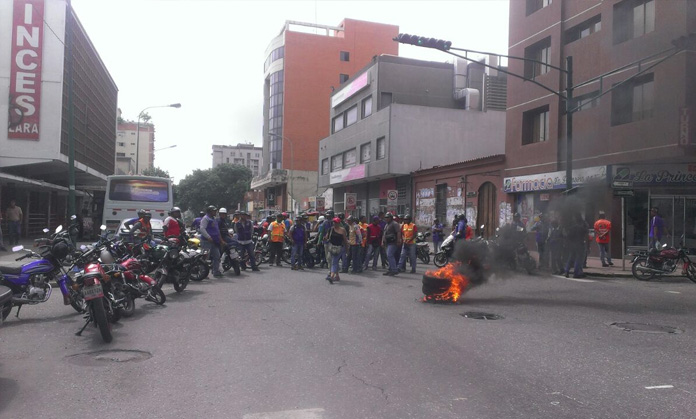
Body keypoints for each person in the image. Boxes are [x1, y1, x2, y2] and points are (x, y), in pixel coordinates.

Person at [200, 206, 224, 278]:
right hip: (206, 241)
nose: (215, 212)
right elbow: (202, 229)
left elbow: (217, 230)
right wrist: (208, 237)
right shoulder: (205, 218)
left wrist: (220, 240)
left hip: (214, 241)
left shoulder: (214, 219)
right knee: (205, 258)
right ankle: (202, 273)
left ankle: (216, 271)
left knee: (217, 256)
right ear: (209, 211)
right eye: (213, 211)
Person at [563, 213, 587, 279]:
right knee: (578, 259)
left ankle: (566, 271)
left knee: (570, 258)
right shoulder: (582, 228)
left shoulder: (572, 228)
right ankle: (576, 273)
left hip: (572, 245)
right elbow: (586, 233)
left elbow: (568, 236)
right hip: (580, 244)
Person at [325, 217, 347, 284]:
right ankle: (337, 276)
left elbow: (345, 240)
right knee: (334, 261)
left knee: (334, 262)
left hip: (339, 248)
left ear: (339, 223)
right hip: (331, 248)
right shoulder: (331, 229)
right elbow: (326, 237)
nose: (335, 224)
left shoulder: (342, 230)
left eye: (336, 222)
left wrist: (347, 248)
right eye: (334, 222)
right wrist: (325, 239)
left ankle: (331, 276)